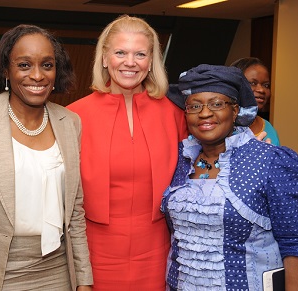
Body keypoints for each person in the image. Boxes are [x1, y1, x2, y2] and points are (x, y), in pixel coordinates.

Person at [0, 24, 93, 290]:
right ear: (5, 70)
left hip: (58, 271)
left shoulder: (70, 122)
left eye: (47, 65)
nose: (37, 75)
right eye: (24, 65)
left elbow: (75, 211)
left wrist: (83, 279)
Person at [161, 64, 298, 290]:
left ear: (235, 111)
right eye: (195, 106)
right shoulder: (178, 159)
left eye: (217, 104)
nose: (204, 113)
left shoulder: (271, 161)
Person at [67, 15, 187, 290]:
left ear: (151, 61)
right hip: (95, 250)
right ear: (105, 58)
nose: (130, 62)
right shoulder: (74, 116)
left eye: (140, 54)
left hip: (157, 248)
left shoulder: (175, 115)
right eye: (120, 52)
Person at [231, 57, 280, 145]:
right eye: (253, 83)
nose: (261, 90)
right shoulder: (221, 126)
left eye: (266, 85)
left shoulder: (269, 128)